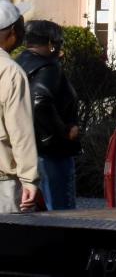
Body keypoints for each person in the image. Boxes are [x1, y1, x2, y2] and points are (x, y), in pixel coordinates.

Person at [16, 20, 80, 210]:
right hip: (52, 151)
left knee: (33, 212)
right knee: (61, 212)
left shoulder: (18, 63)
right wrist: (63, 131)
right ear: (51, 43)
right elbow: (40, 101)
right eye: (59, 41)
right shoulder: (49, 67)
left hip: (26, 148)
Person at [0, 0, 38, 213]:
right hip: (3, 182)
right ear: (13, 31)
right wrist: (29, 179)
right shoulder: (10, 72)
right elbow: (20, 131)